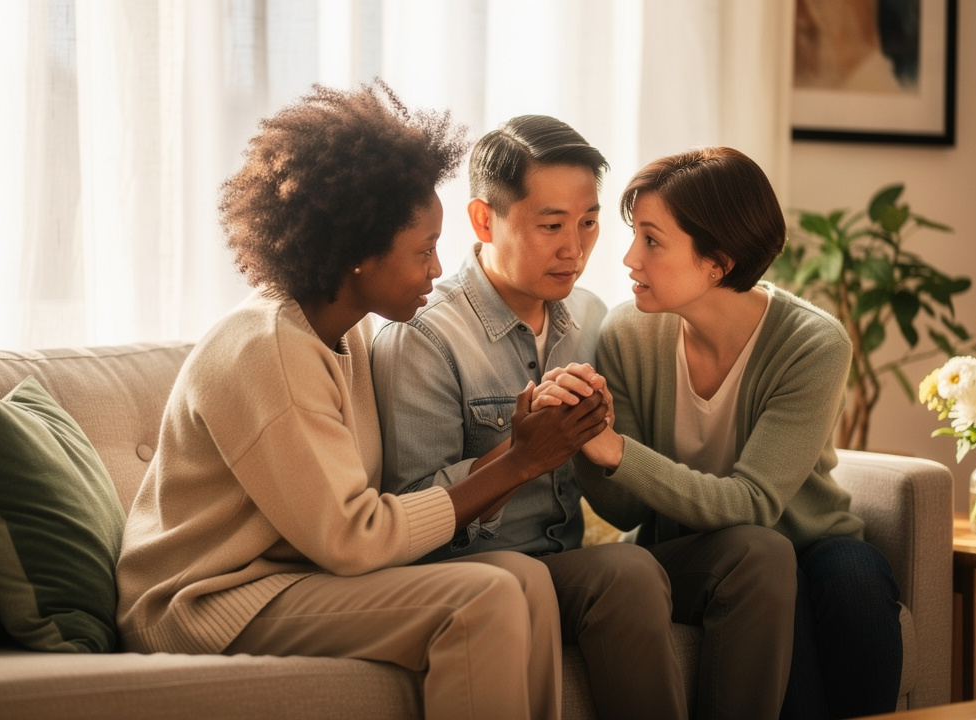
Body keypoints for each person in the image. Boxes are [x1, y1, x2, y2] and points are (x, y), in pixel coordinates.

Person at [114, 83, 610, 720]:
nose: (439, 271)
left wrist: (523, 451)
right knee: (482, 597)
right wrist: (518, 462)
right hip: (204, 601)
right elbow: (354, 538)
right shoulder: (270, 348)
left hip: (293, 578)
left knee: (527, 580)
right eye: (423, 251)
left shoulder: (348, 332)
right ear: (356, 255)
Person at [545, 146, 903, 720]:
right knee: (773, 591)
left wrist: (620, 449)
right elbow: (626, 511)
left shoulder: (812, 343)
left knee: (855, 584)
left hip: (809, 540)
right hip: (701, 554)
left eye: (653, 241)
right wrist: (587, 441)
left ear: (718, 262)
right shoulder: (628, 333)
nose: (630, 258)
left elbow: (755, 503)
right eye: (635, 234)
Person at [372, 115, 687, 720]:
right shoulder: (425, 336)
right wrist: (520, 457)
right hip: (465, 578)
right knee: (588, 576)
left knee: (632, 569)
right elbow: (410, 514)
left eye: (588, 223)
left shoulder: (591, 319)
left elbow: (611, 487)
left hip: (559, 565)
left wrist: (602, 437)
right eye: (550, 226)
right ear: (484, 220)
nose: (574, 249)